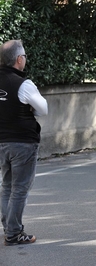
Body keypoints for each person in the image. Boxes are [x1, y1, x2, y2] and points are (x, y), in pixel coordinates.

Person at [0, 40, 48, 246]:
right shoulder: (23, 84)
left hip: (1, 142)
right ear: (19, 59)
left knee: (6, 186)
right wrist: (30, 109)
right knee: (19, 189)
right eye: (25, 57)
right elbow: (43, 109)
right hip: (22, 143)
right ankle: (13, 233)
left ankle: (8, 227)